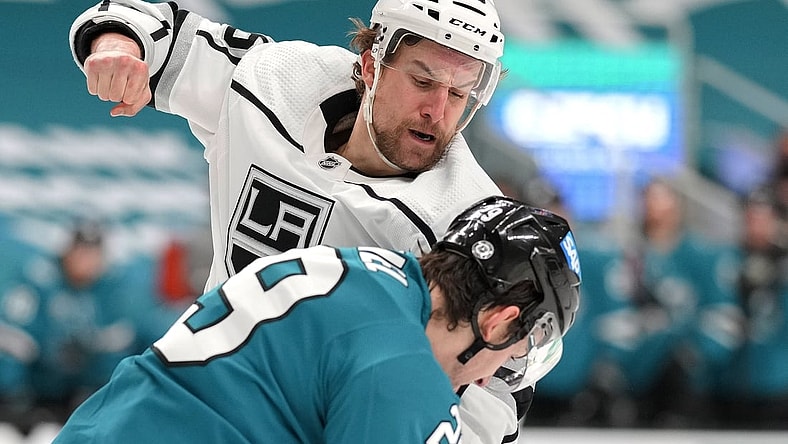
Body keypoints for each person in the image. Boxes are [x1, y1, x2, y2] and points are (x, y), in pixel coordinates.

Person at [66, 1, 542, 441]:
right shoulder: (276, 80)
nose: (438, 112)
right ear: (372, 63)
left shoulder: (469, 221)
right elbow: (146, 23)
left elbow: (498, 389)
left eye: (460, 94)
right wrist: (116, 50)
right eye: (423, 81)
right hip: (193, 390)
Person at [52, 196, 582, 443]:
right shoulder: (403, 369)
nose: (489, 378)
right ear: (499, 323)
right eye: (513, 354)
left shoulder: (356, 268)